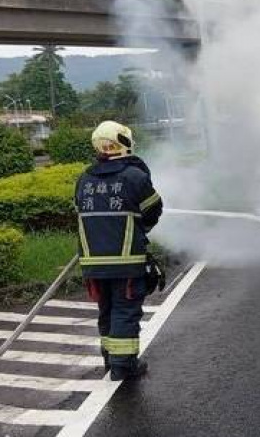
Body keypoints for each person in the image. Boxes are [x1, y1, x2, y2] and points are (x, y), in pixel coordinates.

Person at [75, 121, 163, 380]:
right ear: (122, 142)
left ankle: (111, 359)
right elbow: (153, 210)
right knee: (125, 310)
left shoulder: (84, 179)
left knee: (107, 310)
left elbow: (80, 212)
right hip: (126, 263)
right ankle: (124, 366)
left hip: (92, 264)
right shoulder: (134, 177)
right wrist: (140, 229)